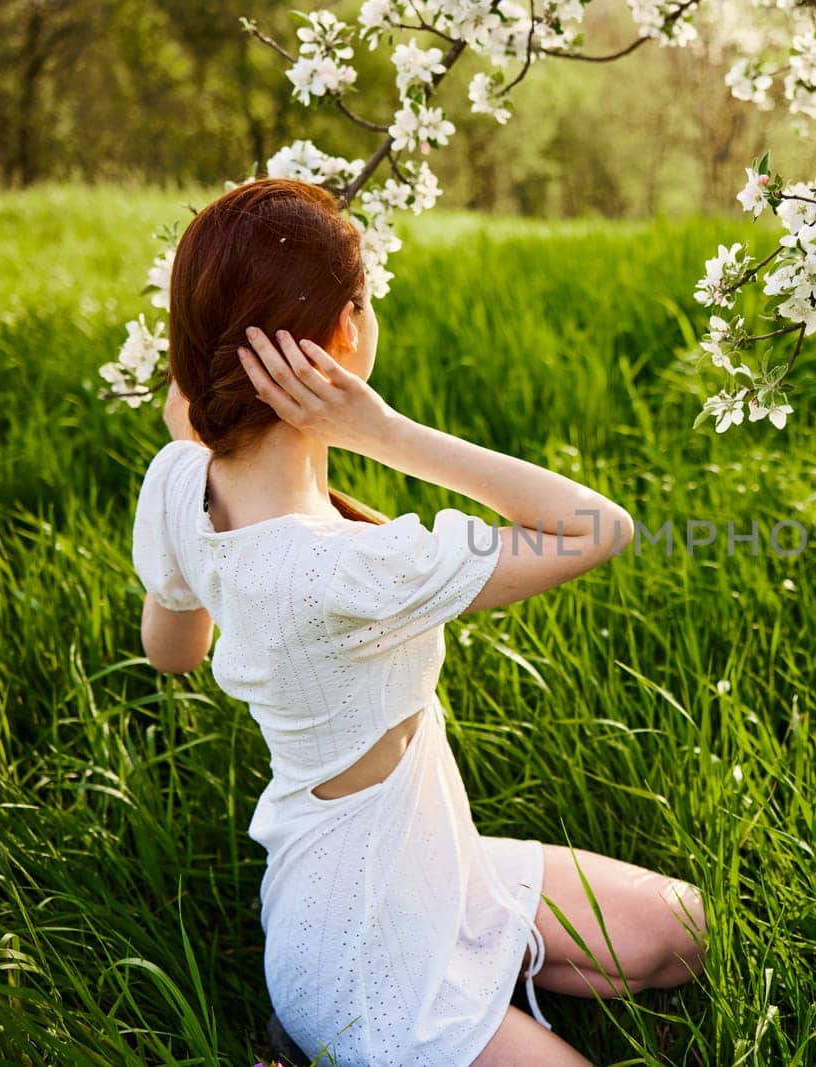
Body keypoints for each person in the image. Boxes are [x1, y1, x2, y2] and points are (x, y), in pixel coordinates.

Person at [130, 177, 706, 1066]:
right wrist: (386, 432)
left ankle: (495, 975)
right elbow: (601, 527)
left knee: (682, 929)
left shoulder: (178, 479)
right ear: (344, 338)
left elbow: (173, 651)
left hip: (434, 866)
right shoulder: (359, 567)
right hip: (363, 964)